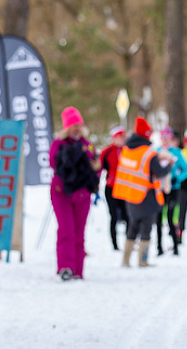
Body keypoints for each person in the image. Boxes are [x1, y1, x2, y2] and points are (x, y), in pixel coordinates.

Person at [49, 106, 101, 281]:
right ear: (66, 128)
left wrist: (97, 168)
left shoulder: (88, 145)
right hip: (61, 192)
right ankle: (65, 267)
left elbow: (96, 168)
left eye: (78, 124)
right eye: (73, 125)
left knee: (79, 232)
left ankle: (78, 270)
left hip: (82, 193)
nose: (76, 128)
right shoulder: (59, 144)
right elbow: (54, 163)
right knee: (66, 229)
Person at [113, 117, 172, 267]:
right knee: (146, 229)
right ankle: (143, 260)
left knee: (132, 227)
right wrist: (169, 165)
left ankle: (125, 260)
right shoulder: (148, 153)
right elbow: (158, 172)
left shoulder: (126, 149)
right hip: (146, 197)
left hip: (130, 195)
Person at [155, 126, 187, 255]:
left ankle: (175, 247)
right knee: (158, 218)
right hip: (159, 190)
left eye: (167, 138)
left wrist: (178, 178)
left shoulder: (176, 152)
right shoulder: (156, 152)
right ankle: (159, 248)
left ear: (170, 138)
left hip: (173, 189)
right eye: (162, 138)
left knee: (171, 218)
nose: (164, 141)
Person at [99, 125, 129, 251]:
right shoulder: (107, 151)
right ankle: (115, 244)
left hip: (125, 188)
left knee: (127, 216)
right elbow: (99, 167)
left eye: (123, 137)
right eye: (120, 137)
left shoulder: (128, 150)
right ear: (114, 138)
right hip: (111, 188)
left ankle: (129, 242)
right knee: (114, 216)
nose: (122, 140)